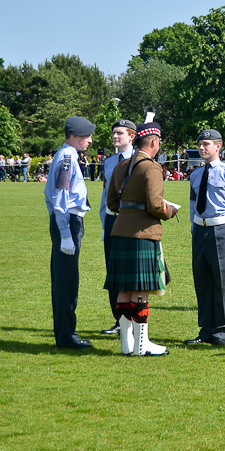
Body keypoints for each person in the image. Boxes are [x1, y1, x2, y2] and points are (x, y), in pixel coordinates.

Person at [104, 122, 178, 356]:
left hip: (120, 230)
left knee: (124, 290)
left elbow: (112, 204)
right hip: (143, 234)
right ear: (154, 142)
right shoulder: (152, 168)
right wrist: (171, 211)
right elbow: (156, 205)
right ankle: (141, 346)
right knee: (140, 291)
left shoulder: (120, 166)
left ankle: (127, 345)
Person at [185, 129, 225, 346]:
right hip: (200, 230)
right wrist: (193, 227)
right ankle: (205, 329)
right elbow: (193, 204)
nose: (202, 148)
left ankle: (222, 330)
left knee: (221, 282)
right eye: (200, 144)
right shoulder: (196, 174)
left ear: (218, 146)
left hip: (220, 231)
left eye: (206, 144)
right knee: (202, 281)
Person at [44, 116, 97, 349]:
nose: (90, 140)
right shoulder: (67, 158)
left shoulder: (69, 156)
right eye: (86, 136)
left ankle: (66, 332)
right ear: (74, 137)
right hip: (68, 222)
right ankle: (66, 336)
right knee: (67, 281)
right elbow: (60, 198)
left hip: (67, 221)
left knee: (66, 279)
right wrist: (65, 233)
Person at [98, 119, 137, 336]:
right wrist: (104, 225)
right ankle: (119, 319)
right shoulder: (109, 162)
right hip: (113, 220)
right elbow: (105, 197)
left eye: (120, 133)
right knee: (112, 271)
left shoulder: (140, 160)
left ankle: (134, 320)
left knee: (131, 272)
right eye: (114, 133)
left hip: (132, 221)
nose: (115, 136)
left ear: (131, 136)